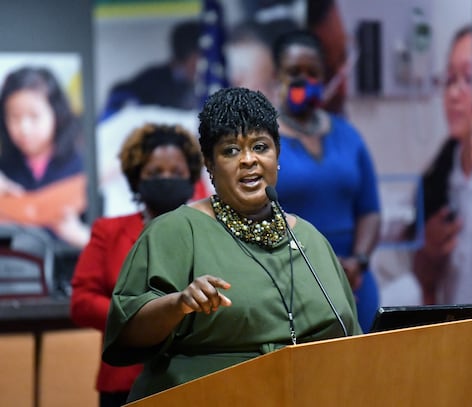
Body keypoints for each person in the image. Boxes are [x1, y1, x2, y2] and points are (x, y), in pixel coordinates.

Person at [101, 87, 361, 402]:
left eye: (260, 147)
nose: (248, 160)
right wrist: (179, 304)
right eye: (231, 151)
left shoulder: (310, 239)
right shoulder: (175, 232)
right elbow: (127, 333)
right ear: (209, 165)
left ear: (277, 156)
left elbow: (350, 339)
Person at [70, 123, 203, 407]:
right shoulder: (109, 232)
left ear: (191, 178)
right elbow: (81, 301)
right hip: (124, 380)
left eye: (176, 172)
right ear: (136, 177)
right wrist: (139, 319)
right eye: (155, 173)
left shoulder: (208, 233)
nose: (166, 179)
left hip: (192, 375)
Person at [270, 29, 381, 332]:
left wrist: (358, 261)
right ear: (276, 76)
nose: (303, 80)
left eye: (312, 73)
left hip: (355, 280)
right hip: (292, 281)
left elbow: (369, 209)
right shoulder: (263, 141)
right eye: (294, 72)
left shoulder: (348, 134)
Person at [404, 26, 472, 306]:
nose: (453, 94)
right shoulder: (439, 179)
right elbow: (425, 288)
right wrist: (429, 254)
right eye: (449, 79)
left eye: (468, 79)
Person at [0, 66, 89, 248]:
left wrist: (79, 235)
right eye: (14, 117)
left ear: (56, 113)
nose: (24, 128)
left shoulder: (81, 166)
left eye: (34, 116)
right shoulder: (4, 169)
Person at [99, 20, 202, 121]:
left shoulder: (200, 86)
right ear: (179, 60)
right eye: (195, 63)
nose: (200, 69)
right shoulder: (151, 83)